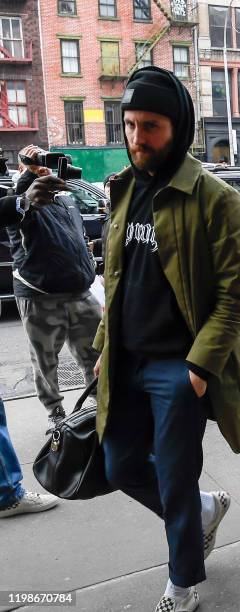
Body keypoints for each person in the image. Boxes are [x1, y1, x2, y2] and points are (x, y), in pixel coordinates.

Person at [92, 67, 240, 612]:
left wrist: (200, 368)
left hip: (179, 367)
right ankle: (205, 512)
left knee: (177, 477)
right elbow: (118, 281)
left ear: (178, 127)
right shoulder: (123, 190)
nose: (138, 138)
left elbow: (237, 298)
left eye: (152, 126)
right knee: (118, 466)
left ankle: (181, 586)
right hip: (126, 361)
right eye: (131, 125)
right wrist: (103, 349)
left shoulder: (215, 199)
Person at [7, 145, 101, 434]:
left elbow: (78, 237)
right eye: (39, 161)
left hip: (80, 291)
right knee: (45, 360)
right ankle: (55, 412)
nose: (45, 166)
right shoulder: (23, 200)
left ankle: (100, 402)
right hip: (40, 295)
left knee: (96, 354)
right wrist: (28, 174)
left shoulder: (66, 200)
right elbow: (17, 206)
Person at [0, 181, 63, 518]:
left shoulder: (65, 205)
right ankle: (6, 494)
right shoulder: (22, 201)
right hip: (35, 291)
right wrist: (23, 198)